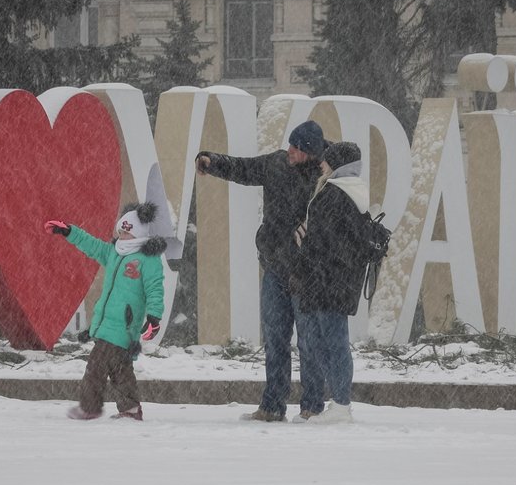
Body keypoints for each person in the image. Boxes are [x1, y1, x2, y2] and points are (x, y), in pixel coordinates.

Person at [195, 120, 328, 423]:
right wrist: (212, 161)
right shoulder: (276, 164)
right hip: (275, 268)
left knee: (309, 342)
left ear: (311, 152)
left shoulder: (325, 177)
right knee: (275, 339)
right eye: (291, 144)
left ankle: (312, 407)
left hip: (307, 273)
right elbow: (243, 169)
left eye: (298, 148)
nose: (290, 151)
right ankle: (272, 406)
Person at [44, 203, 165, 421]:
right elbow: (91, 245)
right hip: (107, 323)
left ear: (138, 234)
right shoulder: (114, 253)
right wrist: (70, 232)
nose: (122, 237)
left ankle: (90, 407)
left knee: (96, 367)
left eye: (128, 233)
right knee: (119, 369)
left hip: (124, 324)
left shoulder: (147, 260)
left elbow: (155, 289)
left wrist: (153, 318)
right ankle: (130, 409)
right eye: (121, 231)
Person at [292, 141, 369, 423]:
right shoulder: (353, 192)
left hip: (326, 280)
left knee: (330, 342)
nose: (321, 164)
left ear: (337, 164)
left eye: (327, 160)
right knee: (325, 341)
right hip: (338, 280)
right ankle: (339, 402)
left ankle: (340, 404)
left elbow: (324, 242)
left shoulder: (335, 195)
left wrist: (304, 248)